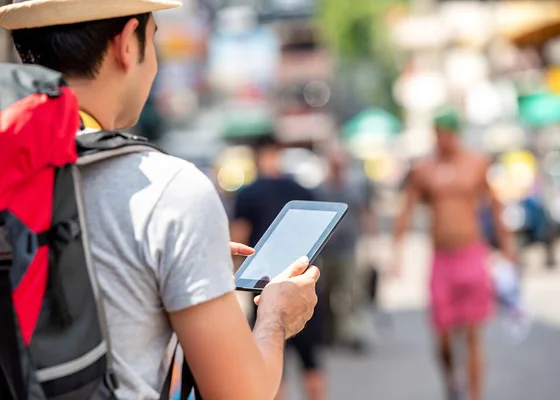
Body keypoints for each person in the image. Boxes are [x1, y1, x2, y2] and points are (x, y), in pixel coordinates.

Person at [0, 2, 320, 399]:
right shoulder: (169, 190)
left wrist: (168, 262)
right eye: (153, 39)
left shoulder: (10, 165)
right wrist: (275, 317)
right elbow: (243, 393)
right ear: (126, 44)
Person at [393, 107, 514, 400]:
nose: (442, 139)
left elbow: (495, 207)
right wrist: (395, 252)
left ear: (455, 133)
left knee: (473, 334)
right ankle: (451, 378)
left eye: (446, 133)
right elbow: (406, 209)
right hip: (442, 259)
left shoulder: (476, 163)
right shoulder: (424, 170)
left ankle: (475, 395)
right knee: (443, 337)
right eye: (437, 134)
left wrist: (508, 247)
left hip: (472, 254)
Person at [231, 135, 326, 400]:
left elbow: (239, 235)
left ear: (257, 156)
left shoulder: (249, 192)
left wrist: (234, 275)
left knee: (269, 355)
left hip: (263, 286)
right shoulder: (300, 189)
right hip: (301, 281)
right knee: (312, 363)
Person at [314, 148, 375, 351]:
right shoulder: (320, 190)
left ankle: (351, 332)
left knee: (350, 291)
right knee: (327, 292)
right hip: (326, 250)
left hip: (348, 247)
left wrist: (369, 241)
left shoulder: (353, 188)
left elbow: (364, 213)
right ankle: (329, 333)